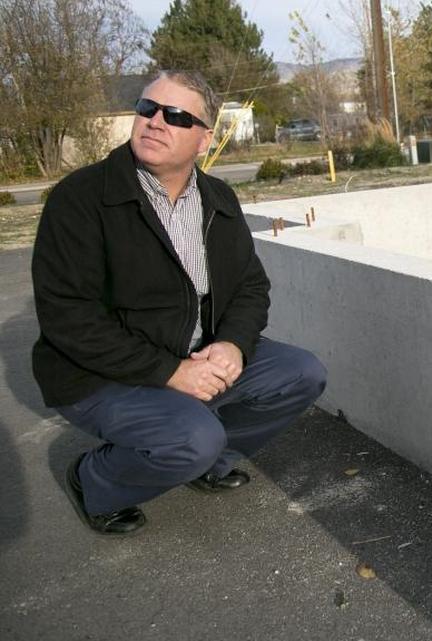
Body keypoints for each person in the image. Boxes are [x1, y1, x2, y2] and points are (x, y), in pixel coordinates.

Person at [31, 70, 327, 535]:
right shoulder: (81, 199)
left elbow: (250, 287)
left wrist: (232, 344)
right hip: (103, 373)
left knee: (301, 373)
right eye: (147, 108)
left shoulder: (218, 199)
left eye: (176, 116)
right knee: (193, 437)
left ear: (204, 140)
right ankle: (97, 482)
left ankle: (209, 460)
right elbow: (68, 317)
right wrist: (171, 372)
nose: (155, 121)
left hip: (194, 355)